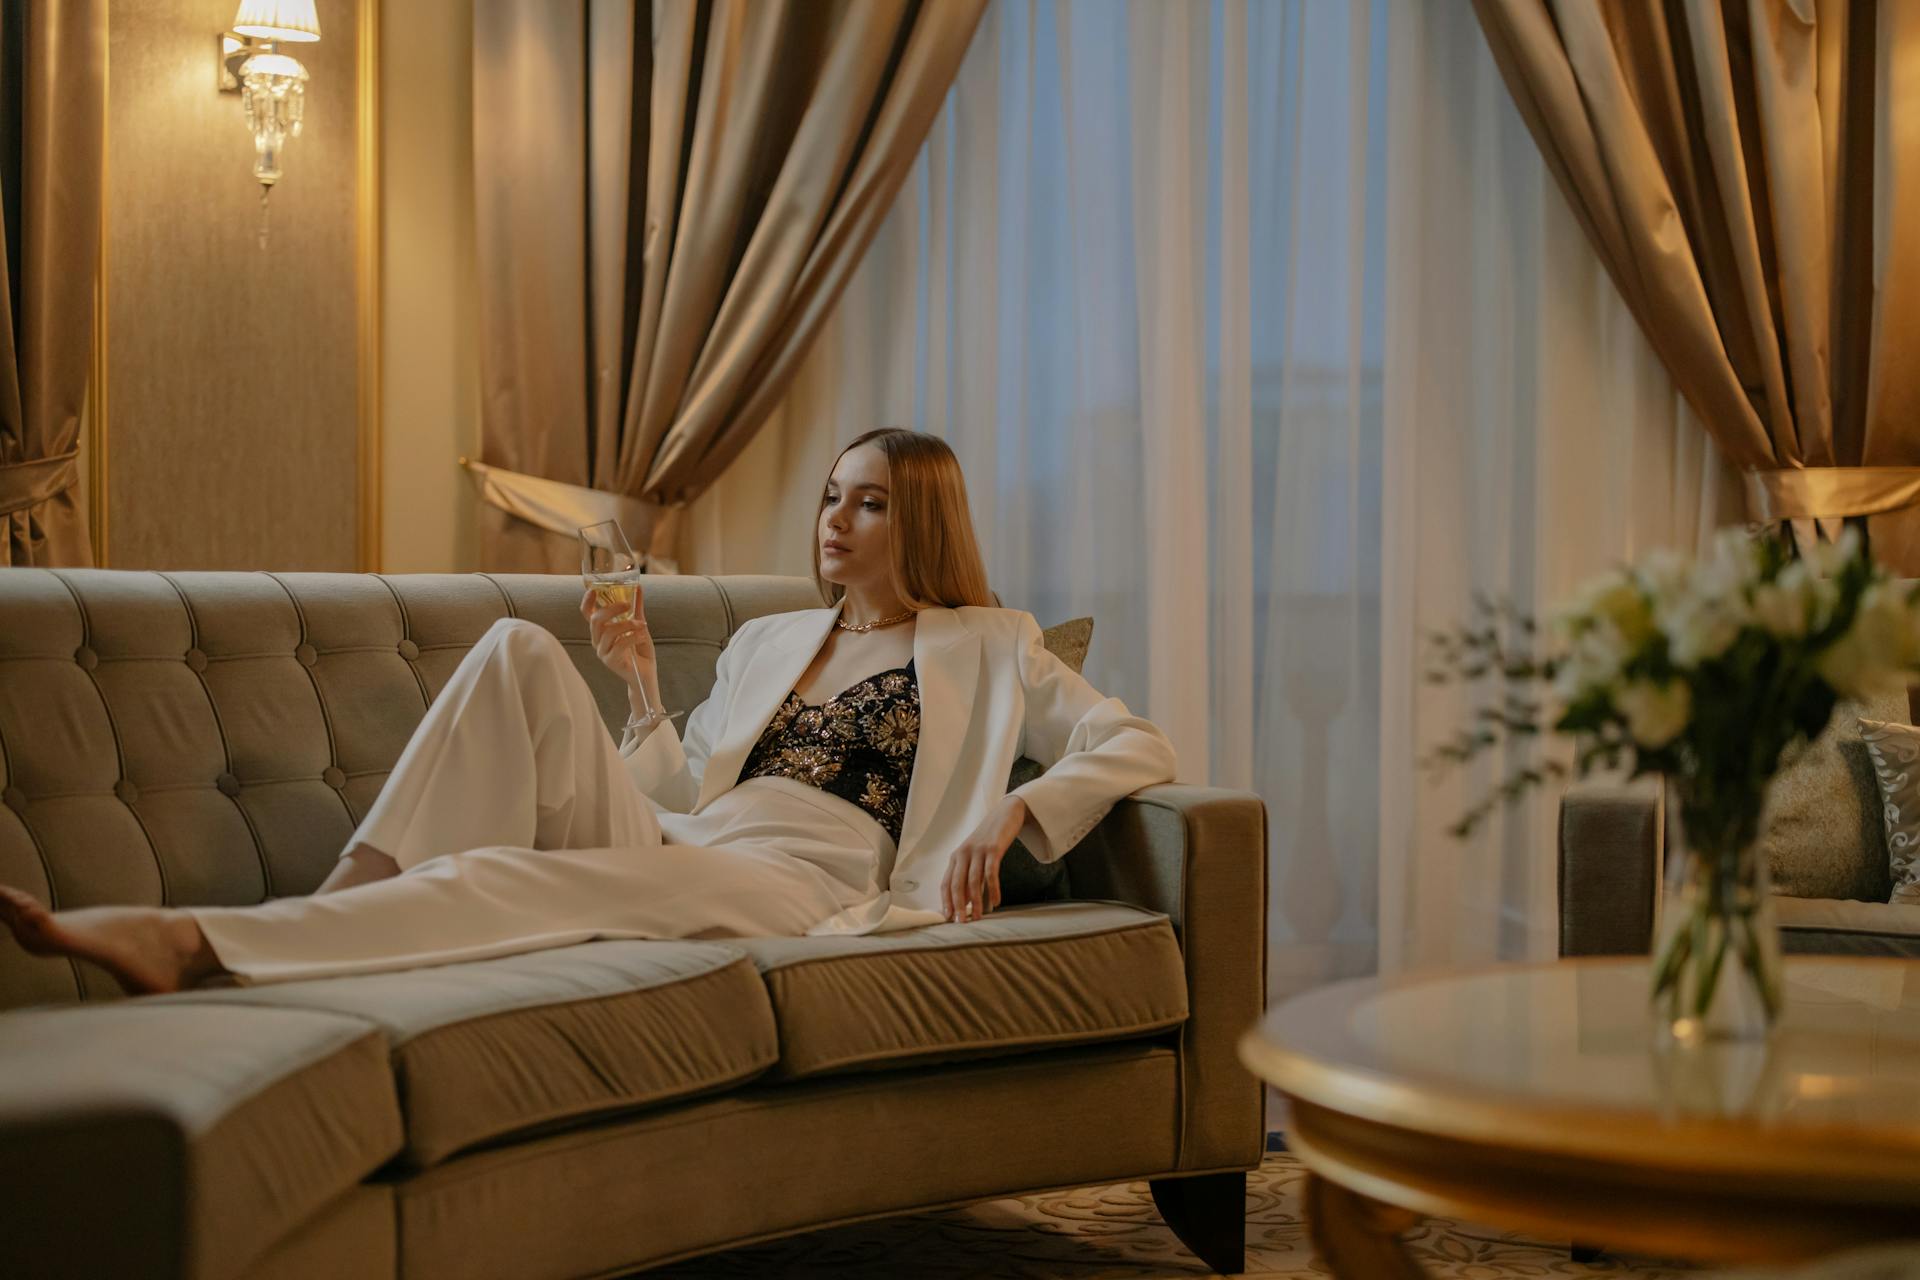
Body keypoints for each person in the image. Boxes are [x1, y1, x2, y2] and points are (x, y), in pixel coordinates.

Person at [0, 429, 1177, 994]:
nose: (835, 519)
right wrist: (640, 692)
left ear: (919, 520)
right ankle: (336, 915)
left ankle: (202, 942)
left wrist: (1016, 810)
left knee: (514, 874)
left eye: (868, 503)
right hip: (693, 845)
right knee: (517, 646)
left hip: (808, 886)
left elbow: (1133, 738)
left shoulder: (988, 641)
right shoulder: (771, 639)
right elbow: (670, 798)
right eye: (830, 495)